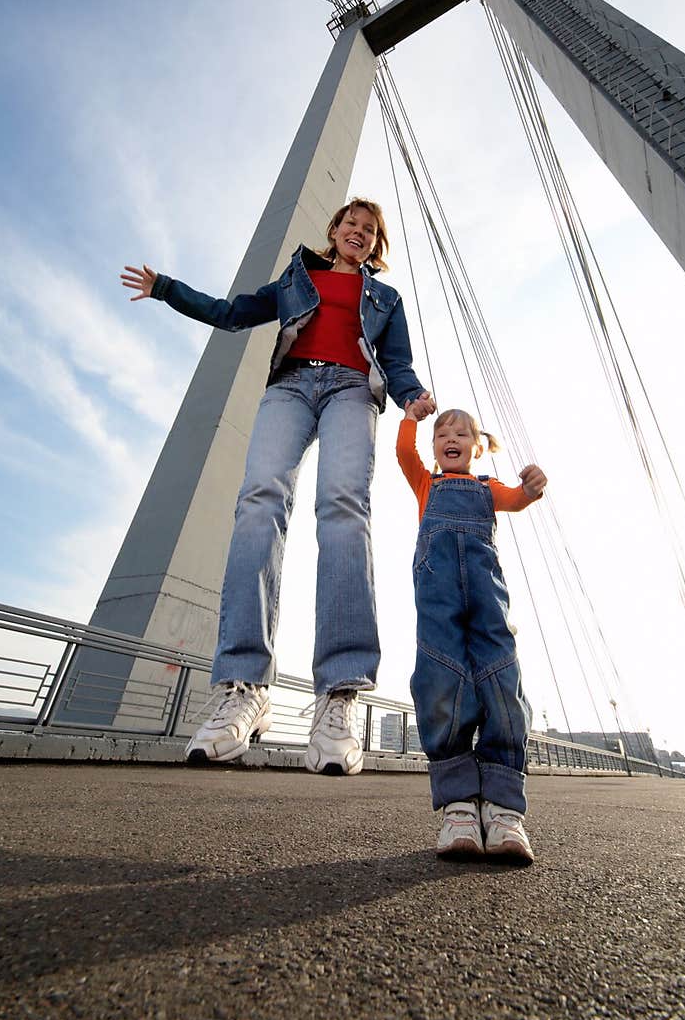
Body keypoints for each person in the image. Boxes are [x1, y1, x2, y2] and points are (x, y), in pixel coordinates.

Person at [122, 198, 434, 775]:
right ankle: (244, 686)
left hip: (352, 392)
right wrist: (166, 287)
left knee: (343, 508)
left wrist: (414, 397)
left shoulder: (386, 300)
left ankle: (338, 696)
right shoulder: (298, 277)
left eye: (370, 230)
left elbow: (400, 363)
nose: (358, 233)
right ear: (333, 230)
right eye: (351, 224)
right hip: (290, 387)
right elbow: (233, 312)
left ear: (376, 245)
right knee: (259, 501)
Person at [396, 404, 547, 862]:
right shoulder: (427, 484)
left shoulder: (488, 488)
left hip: (486, 594)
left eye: (462, 433)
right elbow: (404, 453)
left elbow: (517, 499)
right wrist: (412, 416)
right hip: (437, 591)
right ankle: (459, 805)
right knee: (441, 675)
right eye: (443, 434)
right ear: (436, 449)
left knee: (502, 676)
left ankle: (503, 809)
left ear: (477, 448)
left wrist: (531, 489)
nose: (451, 438)